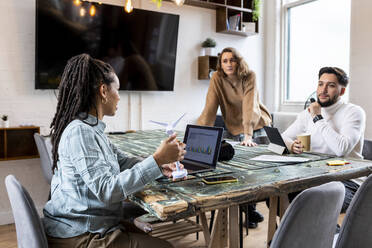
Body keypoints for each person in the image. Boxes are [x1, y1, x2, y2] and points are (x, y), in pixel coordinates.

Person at [43, 54, 186, 248]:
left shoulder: (92, 129)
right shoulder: (80, 132)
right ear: (104, 91)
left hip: (88, 223)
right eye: (117, 90)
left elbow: (123, 162)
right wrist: (156, 158)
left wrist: (160, 164)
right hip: (79, 232)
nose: (119, 96)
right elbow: (106, 191)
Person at [197, 47, 272, 228]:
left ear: (238, 61)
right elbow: (210, 107)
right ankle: (249, 209)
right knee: (238, 171)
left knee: (258, 170)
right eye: (225, 61)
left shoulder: (249, 75)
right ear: (220, 64)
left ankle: (252, 210)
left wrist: (248, 134)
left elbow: (249, 105)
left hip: (257, 124)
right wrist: (196, 135)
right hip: (233, 126)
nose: (229, 64)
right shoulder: (217, 78)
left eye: (232, 60)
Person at [282, 66, 366, 213]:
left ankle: (329, 233)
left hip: (348, 179)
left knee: (314, 202)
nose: (323, 90)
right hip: (314, 176)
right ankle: (287, 236)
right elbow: (284, 137)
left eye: (331, 85)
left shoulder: (353, 112)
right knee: (278, 196)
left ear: (342, 91)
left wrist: (317, 118)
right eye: (320, 84)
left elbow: (341, 149)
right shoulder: (308, 113)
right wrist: (291, 145)